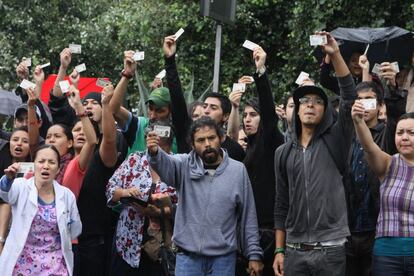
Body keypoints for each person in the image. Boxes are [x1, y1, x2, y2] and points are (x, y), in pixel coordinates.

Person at [273, 31, 356, 276]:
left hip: (331, 250)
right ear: (296, 110)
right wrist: (279, 251)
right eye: (304, 101)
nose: (310, 104)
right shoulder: (282, 152)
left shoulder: (337, 139)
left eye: (317, 101)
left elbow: (349, 97)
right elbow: (281, 204)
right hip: (294, 250)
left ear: (326, 110)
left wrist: (336, 54)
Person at [147, 116, 263, 276]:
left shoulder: (238, 171)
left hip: (223, 259)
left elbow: (248, 216)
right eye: (201, 140)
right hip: (187, 258)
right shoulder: (184, 165)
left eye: (211, 138)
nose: (207, 144)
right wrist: (154, 153)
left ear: (221, 138)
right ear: (192, 145)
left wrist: (254, 254)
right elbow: (165, 164)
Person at [228, 46, 284, 275]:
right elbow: (228, 140)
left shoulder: (271, 141)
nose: (248, 120)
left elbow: (270, 117)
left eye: (254, 115)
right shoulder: (246, 149)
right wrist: (234, 107)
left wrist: (261, 72)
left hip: (269, 231)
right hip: (246, 232)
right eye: (246, 115)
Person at [345, 79, 406, 275]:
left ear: (380, 106)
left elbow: (396, 116)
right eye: (359, 100)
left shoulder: (389, 134)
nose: (363, 103)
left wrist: (392, 88)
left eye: (369, 99)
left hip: (377, 229)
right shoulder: (346, 137)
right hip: (348, 230)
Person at [106, 120, 177, 275]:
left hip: (161, 241)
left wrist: (158, 210)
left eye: (161, 134)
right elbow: (110, 189)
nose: (155, 137)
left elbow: (183, 206)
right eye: (151, 135)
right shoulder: (134, 160)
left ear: (170, 140)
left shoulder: (176, 163)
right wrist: (126, 192)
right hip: (128, 239)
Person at [0, 144, 82, 275]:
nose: (46, 166)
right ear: (34, 165)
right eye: (41, 161)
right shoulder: (21, 186)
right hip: (22, 264)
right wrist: (8, 179)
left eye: (52, 162)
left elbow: (74, 230)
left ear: (58, 168)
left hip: (55, 265)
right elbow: (5, 194)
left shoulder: (66, 195)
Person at [352, 107, 414, 275]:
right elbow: (369, 146)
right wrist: (358, 121)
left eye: (411, 133)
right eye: (400, 133)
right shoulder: (388, 164)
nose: (405, 137)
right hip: (386, 254)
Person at [76, 84, 126, 276]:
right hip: (65, 242)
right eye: (76, 129)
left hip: (94, 242)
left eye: (93, 103)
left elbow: (109, 140)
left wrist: (106, 105)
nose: (81, 132)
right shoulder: (60, 163)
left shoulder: (101, 155)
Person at [0, 127, 31, 255]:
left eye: (25, 141)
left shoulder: (35, 172)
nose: (19, 143)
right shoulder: (3, 170)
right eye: (15, 140)